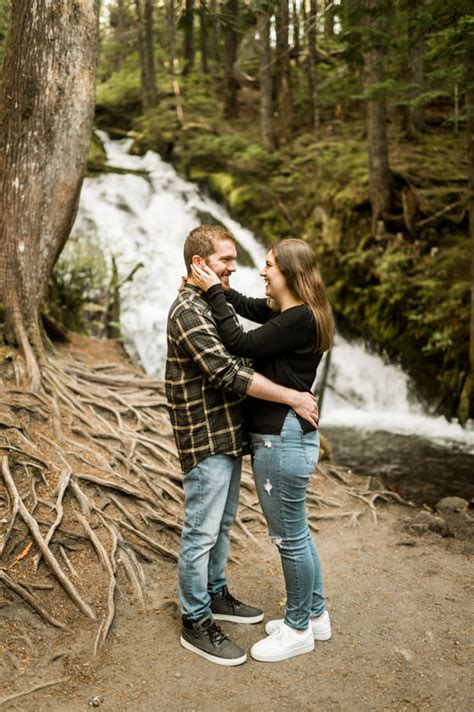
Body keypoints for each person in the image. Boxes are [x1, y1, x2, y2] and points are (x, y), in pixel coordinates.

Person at [165, 226, 319, 667]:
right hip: (205, 433)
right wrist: (291, 395)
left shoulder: (213, 304)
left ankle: (215, 595)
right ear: (199, 264)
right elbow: (229, 370)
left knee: (222, 523)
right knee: (201, 530)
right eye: (224, 260)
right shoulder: (189, 311)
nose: (235, 268)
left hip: (229, 432)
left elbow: (248, 346)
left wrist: (220, 292)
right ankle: (195, 620)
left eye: (235, 260)